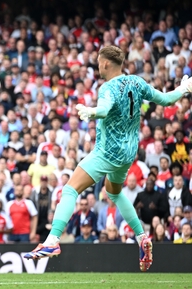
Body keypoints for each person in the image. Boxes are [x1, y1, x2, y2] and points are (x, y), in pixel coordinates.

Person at [24, 46, 192, 272]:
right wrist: (183, 88)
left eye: (98, 61)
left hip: (107, 152)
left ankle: (53, 240)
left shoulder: (107, 88)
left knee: (70, 190)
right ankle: (142, 236)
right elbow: (165, 100)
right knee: (113, 192)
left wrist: (91, 112)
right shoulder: (137, 82)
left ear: (105, 64)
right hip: (128, 153)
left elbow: (104, 109)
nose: (97, 65)